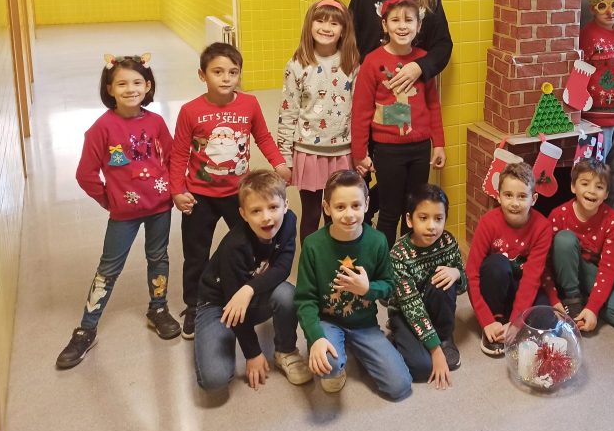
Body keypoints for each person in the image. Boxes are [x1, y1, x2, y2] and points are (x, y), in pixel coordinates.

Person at [56, 54, 180, 369]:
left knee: (159, 257)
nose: (130, 89)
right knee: (109, 268)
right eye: (122, 83)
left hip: (160, 207)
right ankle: (86, 329)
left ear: (148, 86)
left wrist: (175, 189)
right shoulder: (101, 128)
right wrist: (109, 200)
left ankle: (158, 308)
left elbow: (172, 158)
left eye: (137, 82)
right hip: (123, 214)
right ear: (109, 88)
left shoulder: (156, 122)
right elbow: (85, 174)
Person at [170, 43, 291, 340]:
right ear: (202, 75)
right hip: (199, 196)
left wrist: (278, 162)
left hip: (240, 195)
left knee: (251, 246)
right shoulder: (190, 111)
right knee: (196, 254)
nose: (226, 78)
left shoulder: (249, 104)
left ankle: (251, 292)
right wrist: (177, 190)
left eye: (233, 72)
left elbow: (262, 136)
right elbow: (179, 153)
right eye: (218, 72)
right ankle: (194, 305)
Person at [349, 0, 452, 226]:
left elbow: (443, 46)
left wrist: (419, 67)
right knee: (370, 182)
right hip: (372, 95)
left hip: (411, 109)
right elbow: (350, 35)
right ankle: (363, 239)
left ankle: (399, 244)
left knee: (403, 195)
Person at [294, 170, 411, 400]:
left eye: (356, 206)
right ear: (327, 208)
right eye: (340, 207)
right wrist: (316, 337)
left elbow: (389, 285)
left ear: (366, 204)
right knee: (329, 367)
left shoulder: (378, 241)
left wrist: (367, 289)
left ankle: (359, 347)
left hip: (364, 324)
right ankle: (334, 348)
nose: (349, 214)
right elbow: (304, 299)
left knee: (399, 387)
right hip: (327, 320)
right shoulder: (313, 245)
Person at [194, 170, 310, 391]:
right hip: (217, 303)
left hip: (248, 295)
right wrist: (253, 353)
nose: (266, 217)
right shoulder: (235, 246)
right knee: (215, 379)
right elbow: (234, 302)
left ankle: (285, 351)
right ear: (244, 214)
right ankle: (215, 333)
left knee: (287, 294)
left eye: (273, 207)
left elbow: (283, 268)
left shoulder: (289, 221)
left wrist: (248, 289)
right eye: (256, 210)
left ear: (285, 205)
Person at [351, 0, 446, 244]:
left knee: (413, 210)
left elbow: (433, 106)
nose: (402, 26)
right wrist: (359, 153)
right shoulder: (372, 62)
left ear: (419, 26)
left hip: (420, 149)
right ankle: (385, 261)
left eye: (408, 20)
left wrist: (438, 144)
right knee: (390, 211)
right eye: (395, 20)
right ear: (384, 25)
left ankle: (408, 259)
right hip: (388, 151)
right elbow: (361, 111)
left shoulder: (423, 60)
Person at [277, 0, 359, 242]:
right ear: (309, 25)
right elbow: (288, 112)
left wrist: (361, 152)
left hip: (342, 152)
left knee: (337, 214)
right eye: (320, 21)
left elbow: (359, 112)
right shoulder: (297, 65)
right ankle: (312, 261)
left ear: (343, 29)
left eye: (334, 23)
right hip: (308, 152)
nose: (326, 27)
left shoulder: (352, 63)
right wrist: (284, 157)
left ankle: (335, 259)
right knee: (311, 215)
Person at [465, 162, 552, 357]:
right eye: (508, 195)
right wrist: (487, 320)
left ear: (533, 199)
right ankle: (496, 323)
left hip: (521, 288)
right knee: (496, 264)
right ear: (498, 196)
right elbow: (471, 273)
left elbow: (531, 279)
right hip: (496, 286)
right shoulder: (488, 222)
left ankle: (511, 323)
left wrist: (516, 322)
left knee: (547, 319)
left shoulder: (543, 227)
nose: (515, 203)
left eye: (522, 196)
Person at [387, 184, 466, 389]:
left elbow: (462, 285)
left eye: (438, 219)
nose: (432, 226)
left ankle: (445, 337)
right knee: (422, 369)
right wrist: (435, 351)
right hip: (405, 312)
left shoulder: (448, 241)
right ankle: (397, 336)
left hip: (434, 304)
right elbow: (411, 306)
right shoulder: (399, 254)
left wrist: (457, 273)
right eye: (423, 218)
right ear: (409, 219)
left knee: (444, 280)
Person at [544, 159, 614, 332]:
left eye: (599, 187)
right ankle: (572, 298)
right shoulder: (558, 215)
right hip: (562, 271)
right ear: (573, 187)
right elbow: (544, 262)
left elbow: (608, 267)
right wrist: (553, 298)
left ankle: (584, 299)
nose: (592, 191)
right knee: (564, 239)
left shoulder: (613, 220)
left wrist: (593, 308)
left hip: (591, 271)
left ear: (606, 194)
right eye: (585, 184)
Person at [576, 0, 614, 199]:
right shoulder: (587, 35)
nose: (610, 11)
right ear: (592, 9)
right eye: (602, 6)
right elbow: (579, 74)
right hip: (597, 120)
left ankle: (610, 215)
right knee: (594, 175)